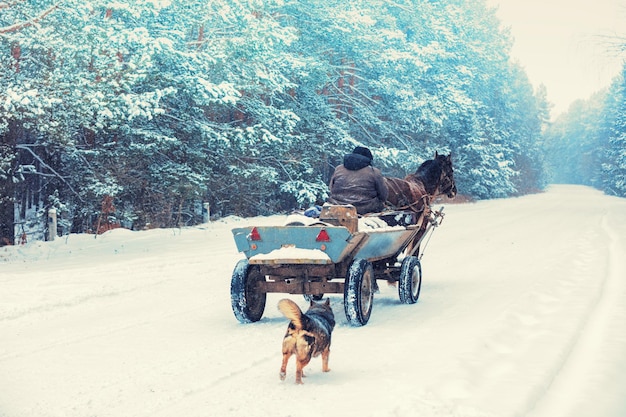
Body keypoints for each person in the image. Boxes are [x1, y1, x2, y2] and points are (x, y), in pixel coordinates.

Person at [328, 146, 388, 214]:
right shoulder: (374, 171)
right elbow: (383, 195)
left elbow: (331, 188)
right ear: (369, 159)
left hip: (337, 206)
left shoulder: (338, 169)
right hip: (365, 208)